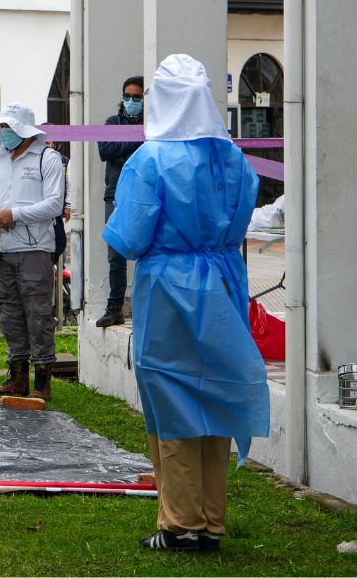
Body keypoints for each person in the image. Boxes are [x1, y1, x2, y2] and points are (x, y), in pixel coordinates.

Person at [103, 54, 268, 553]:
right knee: (214, 393)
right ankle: (211, 523)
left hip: (170, 286)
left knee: (171, 397)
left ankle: (178, 523)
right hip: (222, 280)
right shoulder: (235, 158)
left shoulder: (150, 160)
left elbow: (128, 237)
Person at [0, 103, 65, 401]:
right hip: (0, 247)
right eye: (1, 127)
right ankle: (17, 377)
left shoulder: (47, 158)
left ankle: (42, 382)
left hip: (35, 248)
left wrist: (14, 214)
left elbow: (54, 204)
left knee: (38, 314)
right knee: (10, 312)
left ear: (23, 130)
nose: (3, 132)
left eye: (7, 127)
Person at [96, 76, 145, 327]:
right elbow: (105, 151)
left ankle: (146, 307)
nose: (131, 101)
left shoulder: (153, 124)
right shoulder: (112, 122)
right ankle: (115, 307)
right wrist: (138, 139)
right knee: (115, 254)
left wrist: (122, 145)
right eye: (127, 96)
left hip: (144, 195)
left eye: (137, 97)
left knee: (147, 252)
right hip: (115, 195)